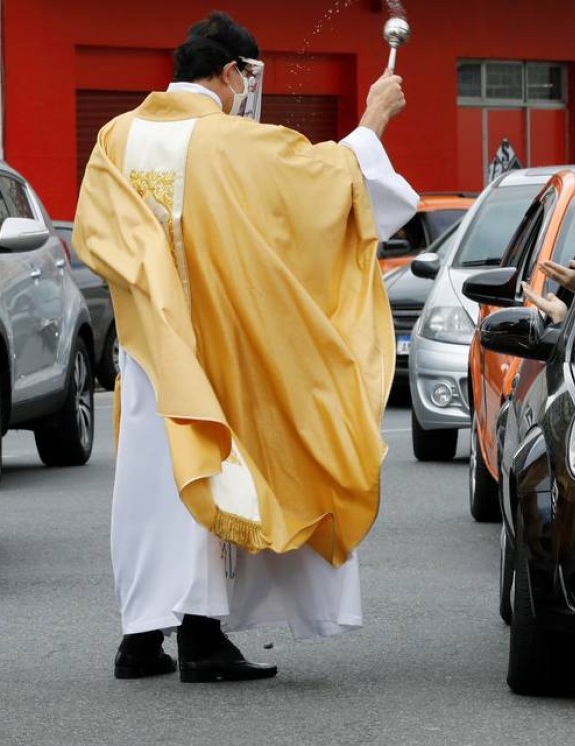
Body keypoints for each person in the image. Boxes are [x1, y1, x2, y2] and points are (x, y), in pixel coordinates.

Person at [73, 11, 418, 683]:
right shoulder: (229, 141)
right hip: (218, 346)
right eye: (247, 79)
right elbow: (325, 182)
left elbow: (96, 235)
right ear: (230, 72)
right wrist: (374, 118)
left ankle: (140, 639)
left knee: (150, 487)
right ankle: (201, 641)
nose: (247, 93)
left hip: (148, 350)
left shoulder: (114, 137)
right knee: (217, 472)